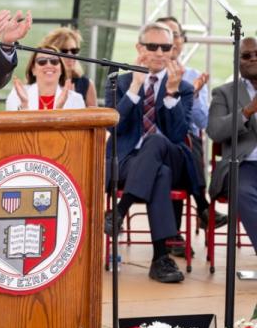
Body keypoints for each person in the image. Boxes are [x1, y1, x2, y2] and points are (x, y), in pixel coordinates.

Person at [104, 21, 195, 283]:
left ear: (172, 50)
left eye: (165, 47)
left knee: (156, 144)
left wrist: (171, 94)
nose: (158, 52)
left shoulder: (183, 87)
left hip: (171, 155)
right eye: (152, 46)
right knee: (160, 174)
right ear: (139, 47)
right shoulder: (118, 82)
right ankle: (160, 259)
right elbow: (113, 123)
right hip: (129, 161)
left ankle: (121, 210)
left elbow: (178, 135)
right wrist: (135, 86)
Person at [156, 16, 227, 243]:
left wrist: (194, 95)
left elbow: (204, 122)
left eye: (175, 34)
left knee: (185, 142)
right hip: (155, 146)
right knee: (177, 145)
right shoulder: (149, 75)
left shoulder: (194, 76)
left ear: (182, 41)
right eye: (165, 34)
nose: (172, 40)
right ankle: (203, 208)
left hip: (185, 145)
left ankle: (173, 235)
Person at [207, 36, 257, 253]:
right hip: (242, 165)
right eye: (247, 56)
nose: (254, 59)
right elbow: (215, 131)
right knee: (243, 192)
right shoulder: (224, 93)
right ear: (237, 61)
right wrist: (247, 112)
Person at [5, 45, 85, 111]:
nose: (49, 65)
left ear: (61, 69)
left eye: (54, 61)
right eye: (42, 61)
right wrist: (24, 105)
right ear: (33, 70)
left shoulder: (75, 99)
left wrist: (59, 109)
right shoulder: (16, 95)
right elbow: (12, 128)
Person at [41, 26, 97, 107]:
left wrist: (74, 100)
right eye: (64, 51)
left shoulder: (87, 84)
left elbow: (95, 118)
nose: (70, 55)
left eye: (74, 51)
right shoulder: (41, 81)